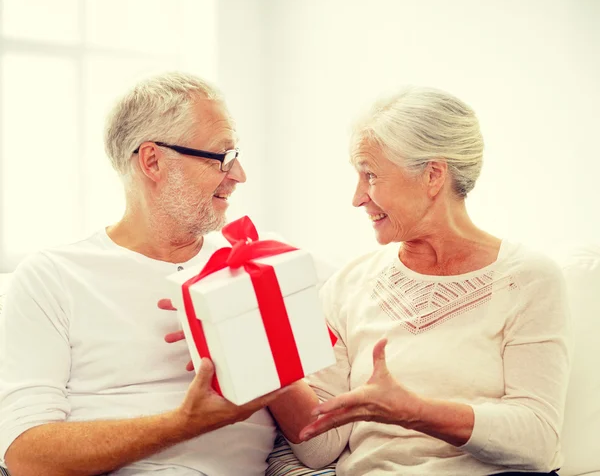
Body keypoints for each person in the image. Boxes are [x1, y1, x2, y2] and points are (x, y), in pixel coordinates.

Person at [0, 72, 319, 476]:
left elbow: (317, 447)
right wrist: (183, 424)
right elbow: (26, 456)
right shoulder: (53, 276)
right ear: (152, 161)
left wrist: (258, 345)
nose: (238, 176)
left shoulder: (251, 263)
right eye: (222, 156)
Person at [287, 87, 572, 475]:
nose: (357, 197)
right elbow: (318, 446)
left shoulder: (528, 279)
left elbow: (538, 439)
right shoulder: (348, 285)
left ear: (433, 175)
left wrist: (416, 412)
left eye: (370, 174)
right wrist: (258, 362)